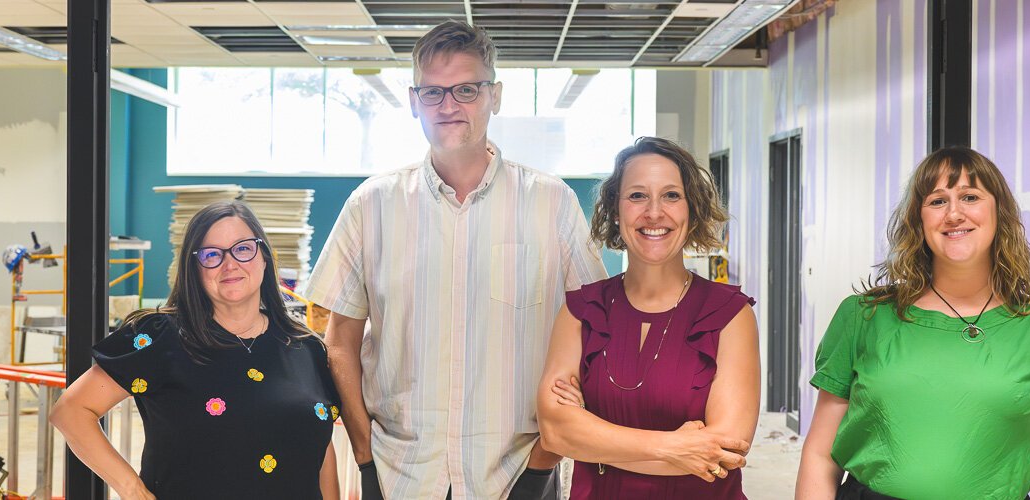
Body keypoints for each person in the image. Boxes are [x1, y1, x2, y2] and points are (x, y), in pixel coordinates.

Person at [303, 20, 609, 499]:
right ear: (412, 100)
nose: (448, 106)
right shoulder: (372, 205)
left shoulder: (552, 203)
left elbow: (593, 334)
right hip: (400, 473)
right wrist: (363, 455)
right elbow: (339, 342)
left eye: (466, 89)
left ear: (495, 95)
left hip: (516, 473)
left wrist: (544, 458)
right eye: (433, 93)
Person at [793, 147, 1030, 500]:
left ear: (999, 213)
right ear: (918, 220)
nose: (954, 213)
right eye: (938, 201)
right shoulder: (863, 316)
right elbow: (821, 456)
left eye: (970, 197)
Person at [51, 200, 341, 499]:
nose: (230, 264)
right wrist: (133, 490)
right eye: (212, 255)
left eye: (243, 248)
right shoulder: (161, 337)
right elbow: (71, 411)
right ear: (194, 268)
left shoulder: (305, 347)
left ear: (264, 258)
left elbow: (321, 449)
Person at [536, 137, 760, 499]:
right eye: (637, 195)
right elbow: (556, 433)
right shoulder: (582, 311)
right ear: (614, 210)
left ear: (693, 209)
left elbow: (724, 451)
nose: (654, 212)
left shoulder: (728, 315)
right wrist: (675, 447)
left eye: (671, 195)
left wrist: (594, 439)